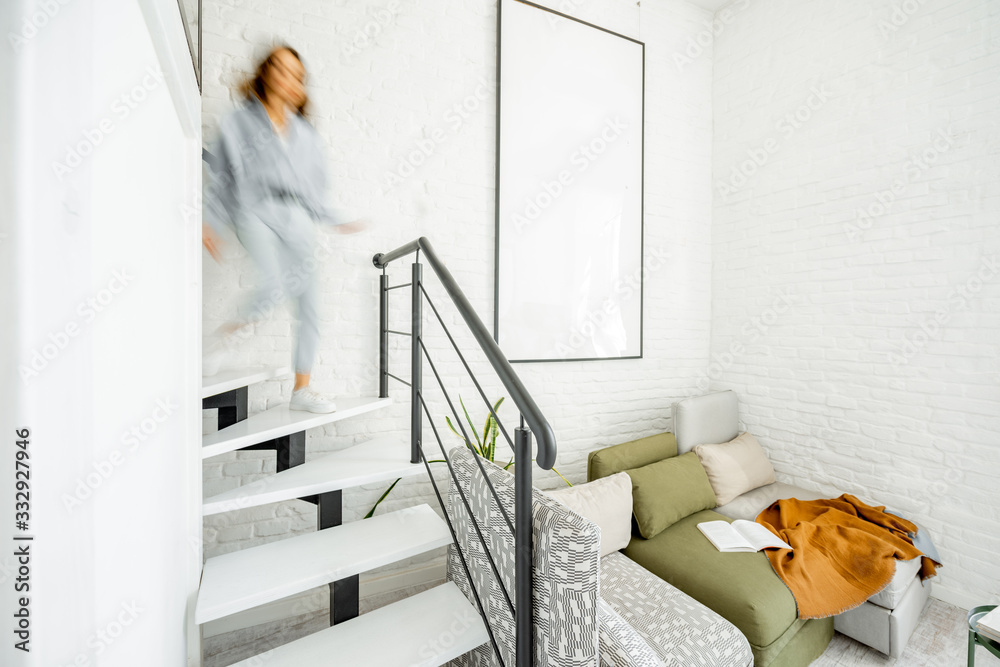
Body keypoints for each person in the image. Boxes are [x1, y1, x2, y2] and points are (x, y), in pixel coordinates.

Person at [202, 45, 362, 414]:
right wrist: (212, 222)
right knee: (273, 284)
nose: (289, 79)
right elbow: (222, 178)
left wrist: (335, 217)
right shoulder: (238, 123)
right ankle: (225, 341)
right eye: (282, 69)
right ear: (267, 72)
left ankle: (302, 390)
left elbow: (315, 191)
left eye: (297, 75)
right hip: (254, 209)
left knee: (311, 307)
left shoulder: (306, 135)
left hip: (298, 217)